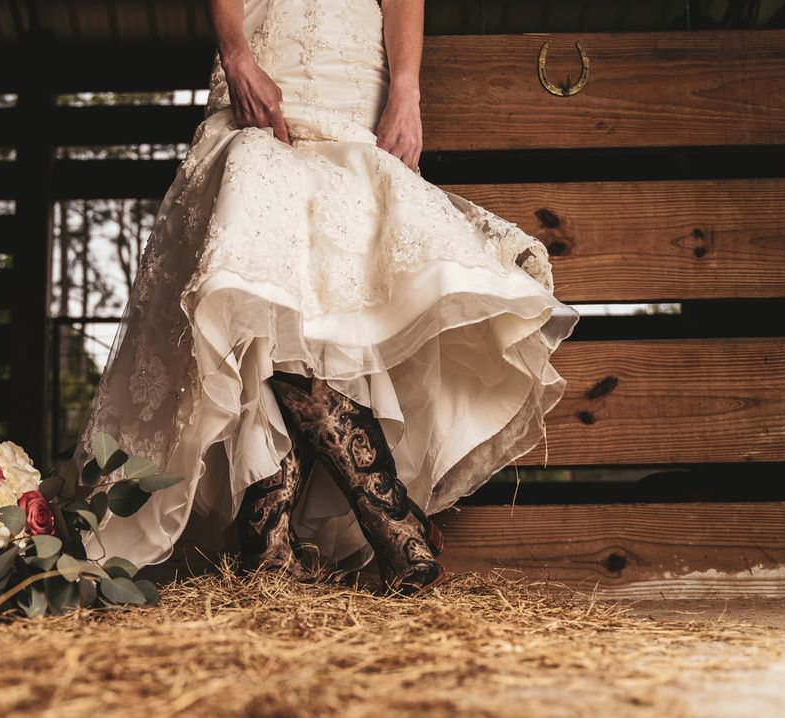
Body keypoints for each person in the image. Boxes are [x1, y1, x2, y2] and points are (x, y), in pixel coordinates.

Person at [72, 0, 580, 594]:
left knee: (322, 298)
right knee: (255, 265)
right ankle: (388, 518)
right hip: (264, 60)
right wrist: (237, 54)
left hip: (351, 78)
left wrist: (407, 91)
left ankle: (272, 549)